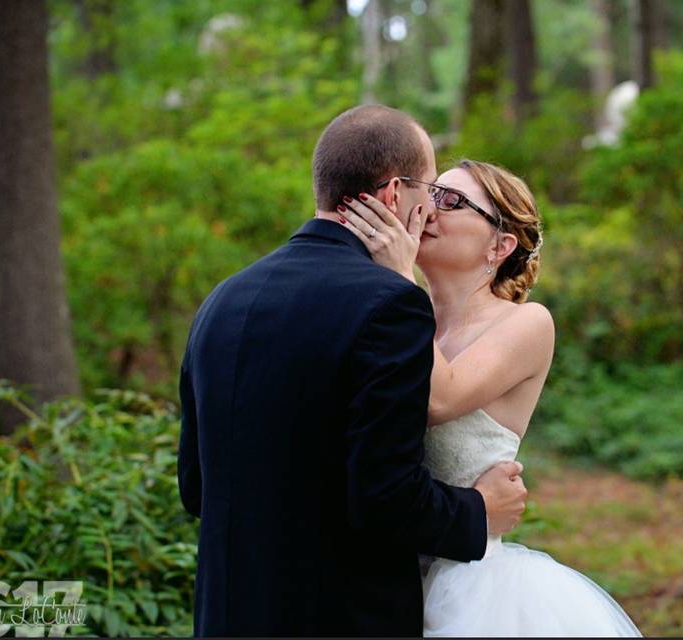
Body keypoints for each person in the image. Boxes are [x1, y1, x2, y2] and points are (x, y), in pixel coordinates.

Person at [177, 105, 528, 637]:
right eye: (429, 191)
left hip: (227, 614)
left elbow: (196, 487)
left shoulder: (223, 299)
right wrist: (478, 514)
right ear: (393, 195)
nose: (431, 212)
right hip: (337, 616)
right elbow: (385, 497)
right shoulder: (390, 304)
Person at [339, 158, 644, 637]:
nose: (429, 210)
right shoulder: (401, 321)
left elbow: (439, 399)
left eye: (453, 201)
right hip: (378, 580)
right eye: (431, 193)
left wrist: (399, 276)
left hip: (472, 589)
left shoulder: (526, 323)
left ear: (500, 246)